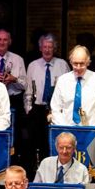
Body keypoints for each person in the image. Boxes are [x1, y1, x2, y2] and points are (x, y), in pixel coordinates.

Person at [24, 34, 70, 173]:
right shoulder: (33, 65)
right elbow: (28, 90)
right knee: (35, 142)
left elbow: (68, 89)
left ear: (54, 48)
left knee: (53, 142)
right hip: (37, 109)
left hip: (56, 110)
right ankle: (36, 172)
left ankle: (54, 170)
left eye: (50, 47)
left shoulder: (63, 65)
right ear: (40, 48)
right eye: (45, 47)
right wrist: (28, 109)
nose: (47, 50)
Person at [50, 45, 95, 130]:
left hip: (90, 133)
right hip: (66, 133)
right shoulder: (62, 81)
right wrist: (64, 130)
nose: (78, 67)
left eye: (81, 64)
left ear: (88, 62)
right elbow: (55, 109)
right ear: (70, 62)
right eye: (75, 63)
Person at [0, 29, 26, 109]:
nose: (2, 42)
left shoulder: (18, 59)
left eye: (5, 40)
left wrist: (14, 79)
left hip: (13, 101)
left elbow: (25, 85)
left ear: (9, 42)